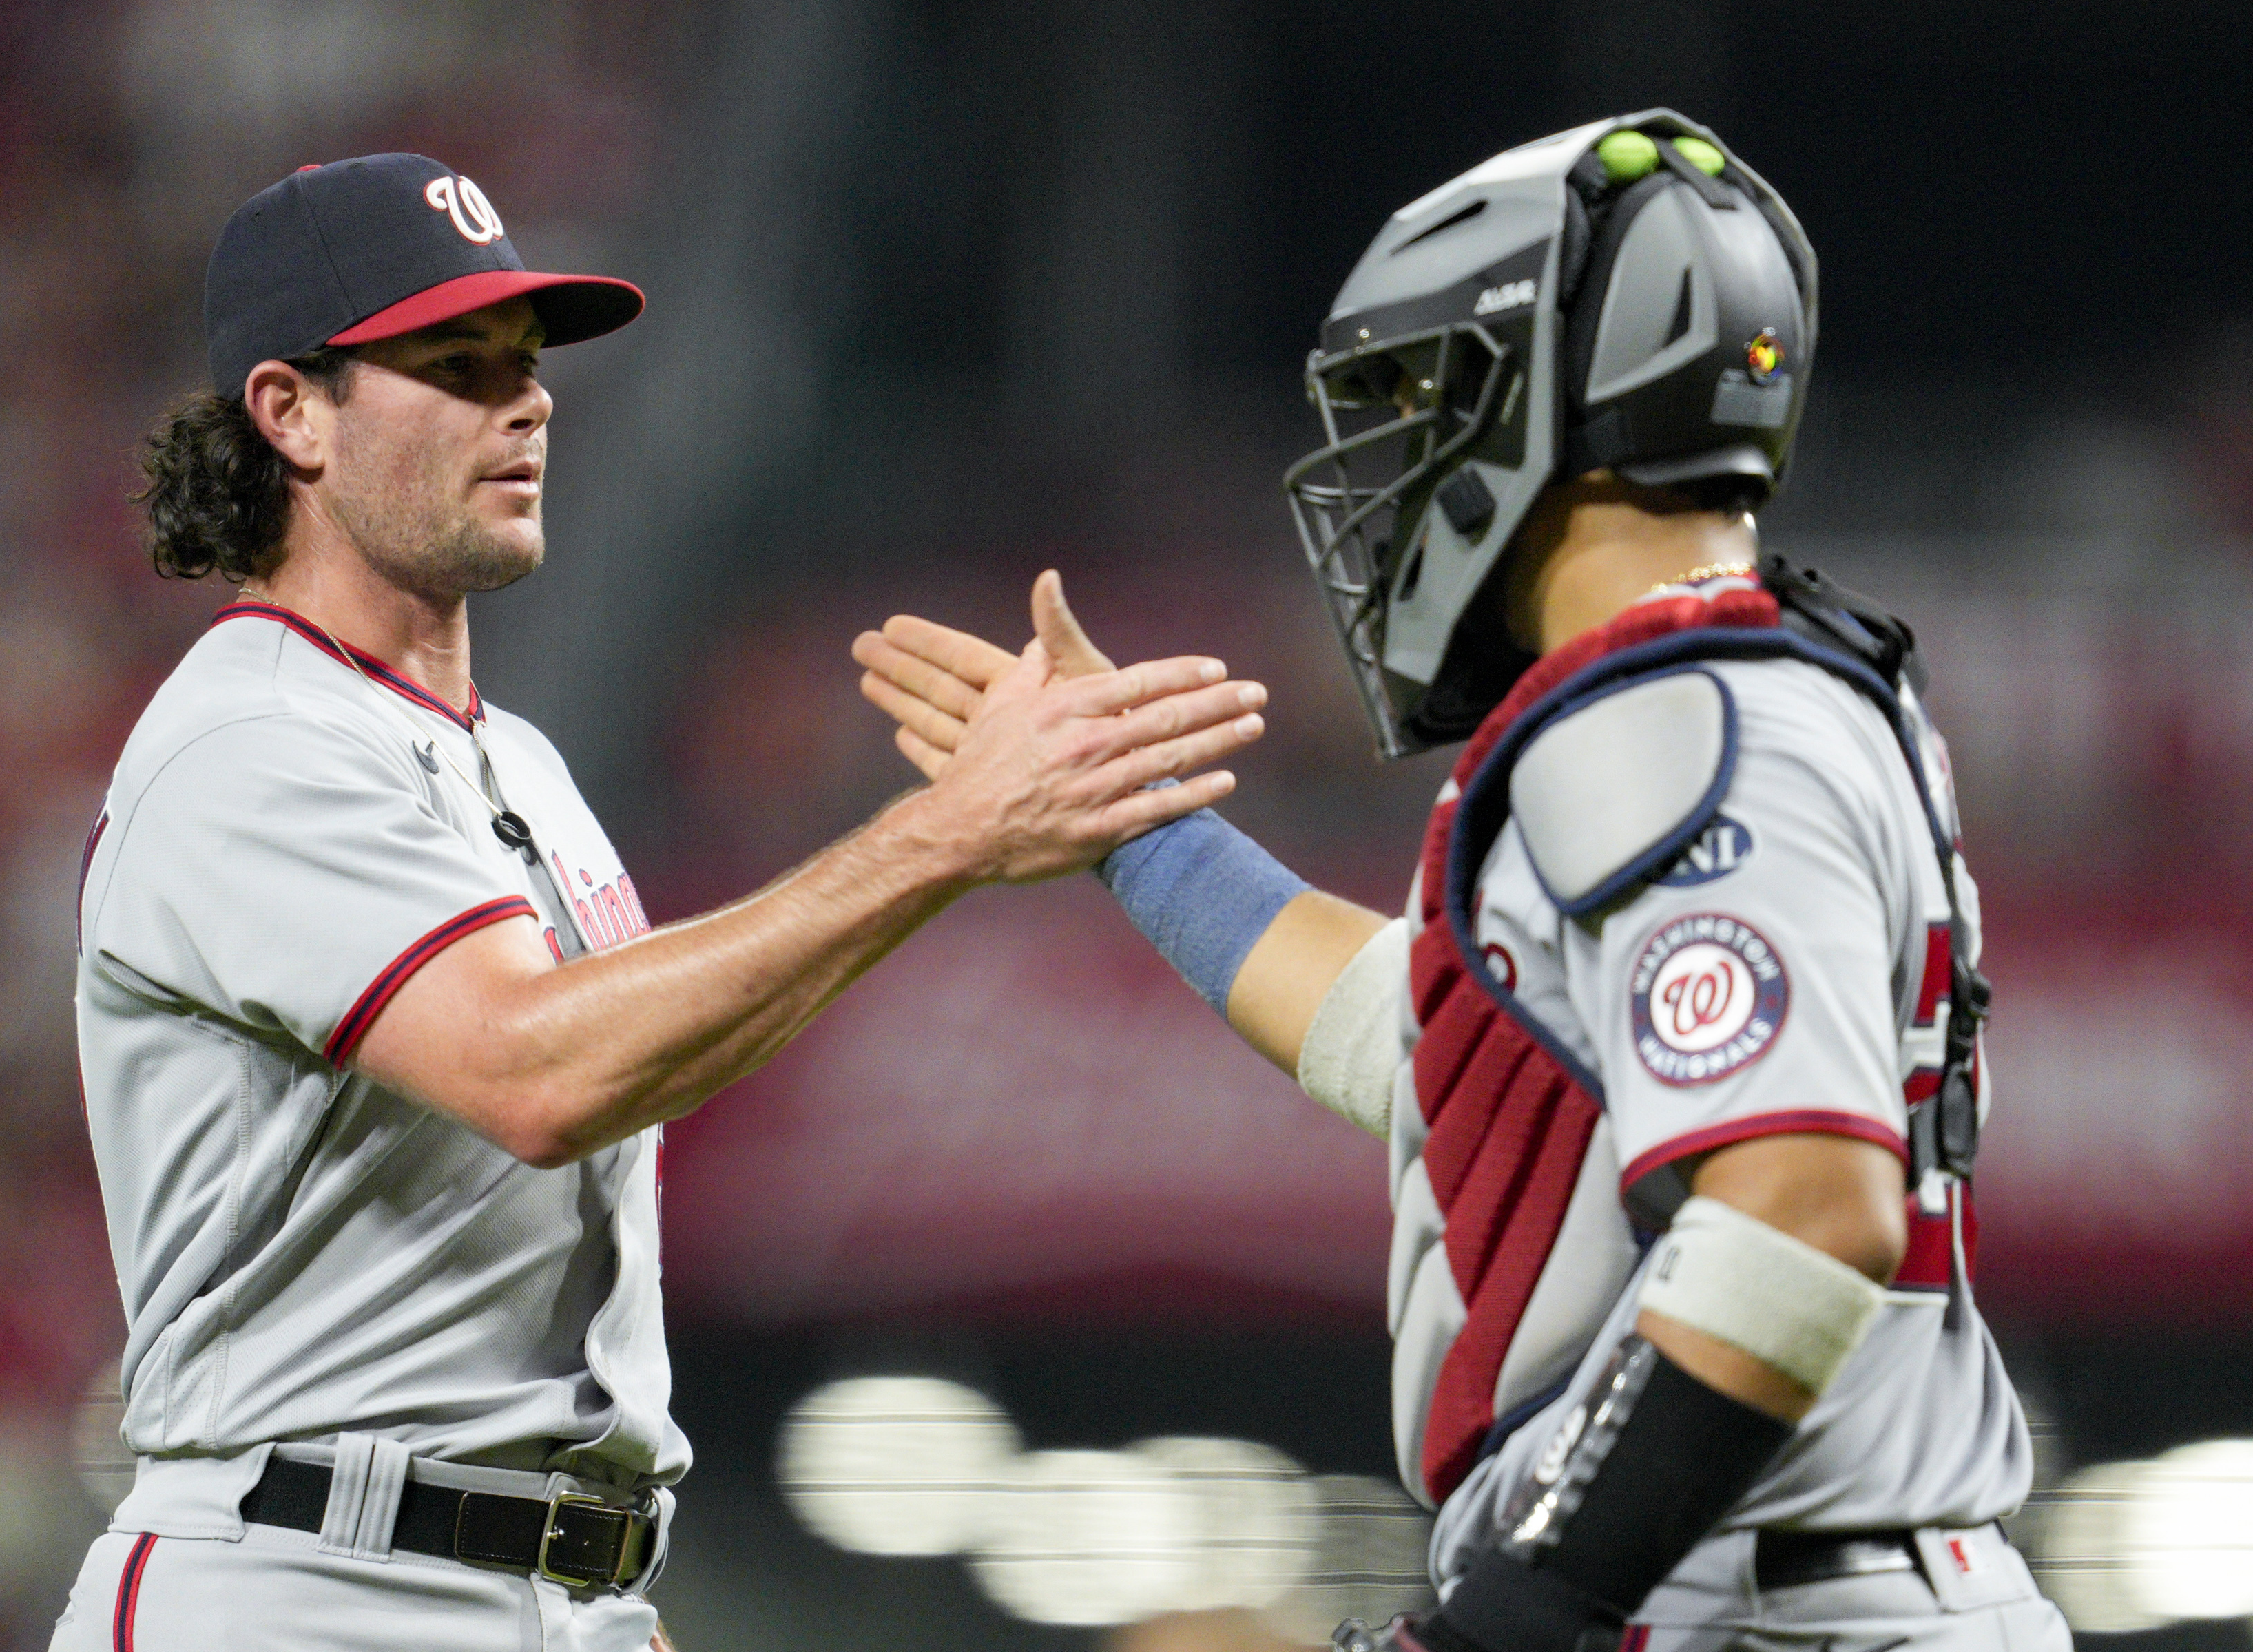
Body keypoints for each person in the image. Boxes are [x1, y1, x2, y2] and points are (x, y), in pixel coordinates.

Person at [855, 113, 2071, 1650]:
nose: (1390, 455)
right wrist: (1136, 832)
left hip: (1753, 1608)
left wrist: (1509, 1614)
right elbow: (1458, 1065)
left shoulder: (1675, 707)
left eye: (1413, 389)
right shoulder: (1732, 692)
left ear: (1551, 390)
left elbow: (1800, 1209)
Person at [53, 152, 1269, 1652]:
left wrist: (603, 1593)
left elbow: (622, 1086)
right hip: (311, 1585)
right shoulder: (252, 741)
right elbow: (534, 1070)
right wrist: (945, 839)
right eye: (452, 365)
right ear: (290, 413)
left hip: (535, 1590)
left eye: (526, 361)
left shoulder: (518, 762)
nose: (526, 402)